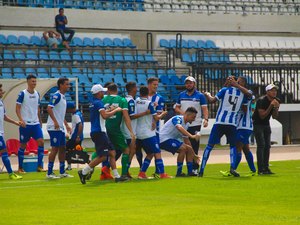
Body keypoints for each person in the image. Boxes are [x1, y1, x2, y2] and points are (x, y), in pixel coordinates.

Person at [198, 76, 252, 177]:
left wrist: (207, 94)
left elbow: (212, 100)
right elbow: (249, 96)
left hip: (219, 122)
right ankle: (232, 168)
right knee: (232, 147)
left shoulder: (224, 90)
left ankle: (201, 170)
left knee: (209, 146)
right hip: (232, 124)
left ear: (238, 82)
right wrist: (233, 85)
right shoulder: (242, 94)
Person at [78, 84, 125, 184]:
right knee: (103, 156)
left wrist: (110, 109)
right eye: (102, 92)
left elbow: (102, 113)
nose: (104, 93)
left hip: (98, 131)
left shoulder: (94, 102)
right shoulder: (98, 103)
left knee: (112, 153)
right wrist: (116, 110)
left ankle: (116, 176)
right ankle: (83, 171)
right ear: (98, 93)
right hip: (99, 132)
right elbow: (104, 116)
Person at [174, 76, 208, 175]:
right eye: (187, 83)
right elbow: (176, 108)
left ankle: (195, 168)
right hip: (184, 124)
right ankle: (189, 167)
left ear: (194, 84)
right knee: (186, 146)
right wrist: (185, 115)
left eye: (190, 83)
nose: (188, 84)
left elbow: (204, 109)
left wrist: (205, 119)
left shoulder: (200, 96)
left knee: (194, 146)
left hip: (196, 124)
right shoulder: (181, 95)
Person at [135, 86, 171, 179]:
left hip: (138, 133)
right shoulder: (149, 103)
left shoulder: (136, 101)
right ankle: (163, 174)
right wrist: (163, 113)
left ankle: (142, 173)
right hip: (148, 133)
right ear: (148, 94)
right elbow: (156, 118)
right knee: (157, 152)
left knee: (150, 153)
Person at [220, 85, 257, 177]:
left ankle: (233, 169)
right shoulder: (240, 94)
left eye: (238, 82)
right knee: (246, 149)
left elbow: (245, 108)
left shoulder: (248, 93)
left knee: (238, 147)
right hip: (242, 126)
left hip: (244, 126)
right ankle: (253, 170)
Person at [102, 83, 135, 179]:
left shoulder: (103, 99)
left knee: (106, 151)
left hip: (104, 128)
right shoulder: (122, 100)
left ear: (108, 90)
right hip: (115, 130)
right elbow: (126, 116)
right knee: (126, 150)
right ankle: (124, 174)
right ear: (117, 90)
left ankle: (101, 169)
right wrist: (131, 132)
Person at [16, 74, 45, 173]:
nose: (34, 83)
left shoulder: (37, 94)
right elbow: (17, 108)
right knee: (23, 145)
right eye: (33, 81)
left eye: (35, 81)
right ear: (28, 82)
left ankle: (40, 166)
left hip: (35, 123)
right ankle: (20, 167)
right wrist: (21, 119)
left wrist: (40, 121)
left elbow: (38, 108)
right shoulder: (22, 94)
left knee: (41, 141)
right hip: (26, 124)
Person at [159, 107, 201, 177]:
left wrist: (194, 155)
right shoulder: (178, 118)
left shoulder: (186, 124)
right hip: (163, 139)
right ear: (187, 115)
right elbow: (179, 127)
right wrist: (192, 136)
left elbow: (186, 141)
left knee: (188, 149)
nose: (194, 119)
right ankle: (179, 173)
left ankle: (189, 172)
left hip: (170, 140)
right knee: (184, 148)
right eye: (193, 117)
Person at [46, 77, 72, 179]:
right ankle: (49, 172)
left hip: (60, 127)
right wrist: (55, 122)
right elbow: (49, 108)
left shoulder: (63, 97)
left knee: (62, 148)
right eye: (66, 84)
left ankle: (62, 171)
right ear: (61, 85)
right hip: (54, 127)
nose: (68, 86)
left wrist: (66, 124)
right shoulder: (56, 96)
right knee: (55, 149)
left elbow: (60, 113)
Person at [252, 84, 280, 175]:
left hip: (266, 124)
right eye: (272, 90)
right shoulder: (261, 100)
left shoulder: (276, 101)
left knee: (267, 146)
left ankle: (266, 168)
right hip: (258, 124)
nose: (274, 92)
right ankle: (260, 169)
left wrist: (276, 108)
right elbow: (262, 116)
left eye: (275, 90)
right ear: (267, 92)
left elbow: (274, 117)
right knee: (261, 145)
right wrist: (271, 106)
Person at [0, 83, 23, 180]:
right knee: (4, 152)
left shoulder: (1, 102)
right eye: (0, 90)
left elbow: (4, 116)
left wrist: (15, 122)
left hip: (1, 132)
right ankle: (10, 173)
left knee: (4, 152)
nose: (2, 92)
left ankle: (11, 173)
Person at [120, 82, 143, 170]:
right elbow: (131, 116)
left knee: (129, 150)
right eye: (136, 87)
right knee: (131, 150)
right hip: (128, 130)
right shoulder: (131, 101)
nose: (137, 89)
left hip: (124, 129)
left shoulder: (125, 99)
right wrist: (145, 113)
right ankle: (125, 171)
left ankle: (125, 170)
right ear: (133, 88)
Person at [147, 77, 166, 177]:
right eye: (154, 84)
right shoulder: (142, 97)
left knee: (155, 151)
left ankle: (158, 171)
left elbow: (158, 114)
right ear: (149, 85)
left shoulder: (159, 98)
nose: (156, 87)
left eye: (157, 85)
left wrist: (154, 121)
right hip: (143, 128)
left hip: (155, 130)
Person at [65, 102, 84, 171]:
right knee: (77, 152)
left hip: (75, 138)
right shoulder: (78, 113)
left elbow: (80, 125)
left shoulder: (76, 115)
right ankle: (89, 162)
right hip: (77, 137)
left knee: (66, 150)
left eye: (67, 109)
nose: (66, 111)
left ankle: (69, 166)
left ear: (70, 109)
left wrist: (78, 136)